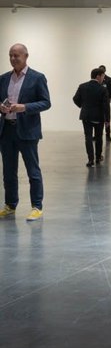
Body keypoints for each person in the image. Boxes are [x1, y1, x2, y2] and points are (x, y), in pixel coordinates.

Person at [0, 44, 52, 222]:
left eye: (17, 55)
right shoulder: (3, 78)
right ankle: (10, 205)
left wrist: (25, 107)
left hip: (27, 131)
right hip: (6, 130)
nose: (13, 59)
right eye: (11, 55)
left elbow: (46, 103)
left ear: (26, 56)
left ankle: (37, 206)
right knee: (8, 171)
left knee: (33, 170)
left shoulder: (37, 78)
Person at [73, 68, 110, 167]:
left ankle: (90, 160)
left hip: (86, 116)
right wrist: (107, 120)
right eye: (103, 76)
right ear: (98, 76)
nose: (103, 78)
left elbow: (75, 99)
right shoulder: (103, 89)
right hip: (99, 116)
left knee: (88, 138)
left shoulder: (82, 86)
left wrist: (83, 106)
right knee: (99, 137)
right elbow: (106, 106)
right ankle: (98, 157)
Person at [99, 64, 111, 141]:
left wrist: (109, 100)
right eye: (100, 69)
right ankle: (97, 135)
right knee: (98, 119)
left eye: (102, 69)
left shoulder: (109, 79)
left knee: (107, 119)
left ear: (105, 70)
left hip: (105, 104)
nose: (101, 71)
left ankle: (108, 134)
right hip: (98, 104)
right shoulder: (97, 79)